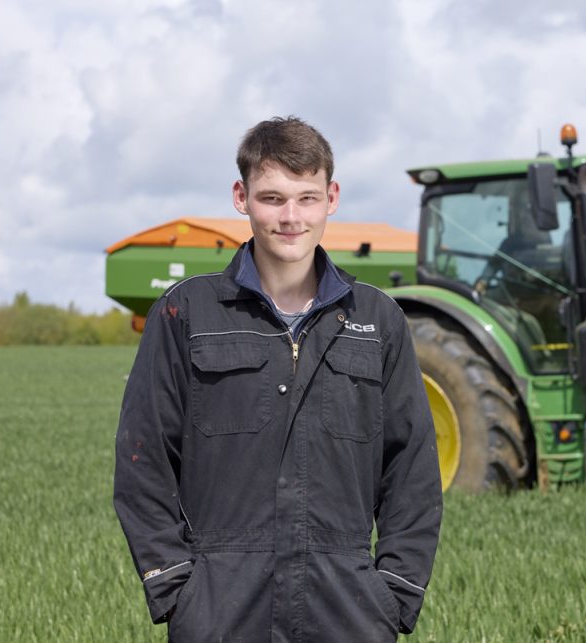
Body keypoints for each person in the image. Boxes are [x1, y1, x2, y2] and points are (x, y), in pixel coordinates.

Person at [113, 116, 442, 641]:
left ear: (331, 198)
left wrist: (394, 594)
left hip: (349, 610)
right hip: (220, 611)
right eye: (272, 198)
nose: (291, 217)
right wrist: (178, 588)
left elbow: (412, 471)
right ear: (241, 197)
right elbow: (143, 459)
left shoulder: (377, 320)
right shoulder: (188, 313)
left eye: (307, 198)